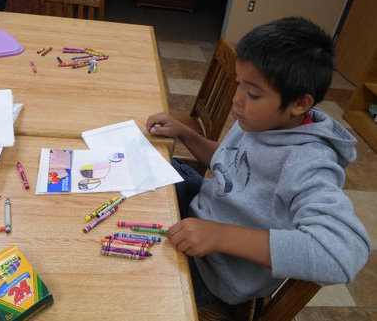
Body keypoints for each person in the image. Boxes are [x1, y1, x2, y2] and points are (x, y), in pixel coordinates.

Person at [146, 17, 371, 307]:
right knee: (145, 165)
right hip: (202, 209)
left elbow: (344, 253)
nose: (237, 100)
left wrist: (222, 236)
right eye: (239, 84)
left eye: (252, 93)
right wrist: (186, 134)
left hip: (215, 273)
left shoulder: (308, 164)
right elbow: (229, 164)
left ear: (300, 104)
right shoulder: (261, 121)